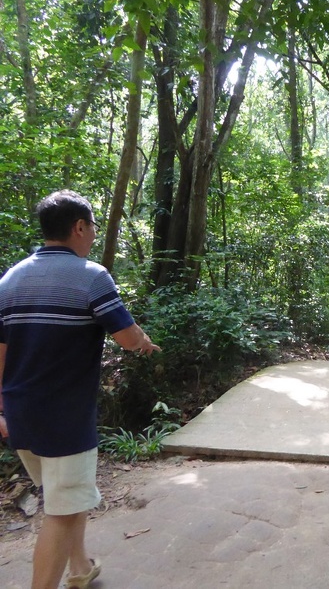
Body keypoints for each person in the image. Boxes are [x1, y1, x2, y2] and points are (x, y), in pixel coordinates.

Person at [0, 190, 161, 589]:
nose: (92, 236)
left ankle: (79, 569)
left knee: (64, 498)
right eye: (91, 228)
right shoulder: (91, 276)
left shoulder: (11, 279)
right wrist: (142, 339)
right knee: (61, 511)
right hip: (64, 419)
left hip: (21, 415)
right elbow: (125, 337)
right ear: (79, 227)